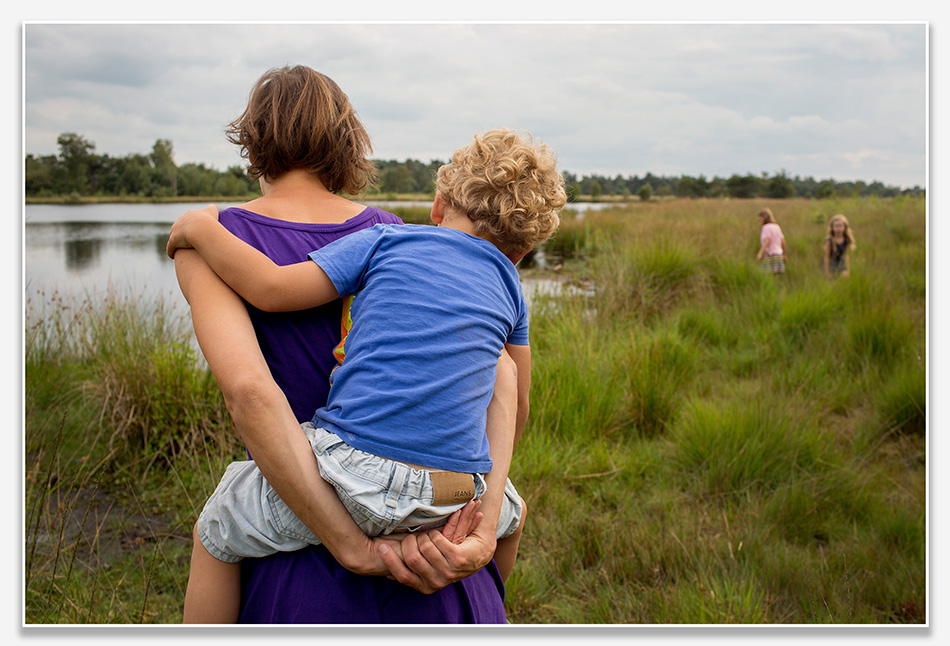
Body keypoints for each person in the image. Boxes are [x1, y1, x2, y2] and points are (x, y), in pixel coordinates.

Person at [171, 65, 523, 623]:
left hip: (305, 512)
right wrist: (479, 527)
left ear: (253, 143)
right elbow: (501, 377)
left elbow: (250, 392)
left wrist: (348, 543)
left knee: (212, 531)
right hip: (442, 541)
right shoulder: (390, 229)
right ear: (346, 142)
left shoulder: (213, 239)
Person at [755, 207, 787, 274]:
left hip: (770, 256)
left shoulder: (766, 227)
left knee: (765, 275)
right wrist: (784, 254)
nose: (760, 221)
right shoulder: (777, 227)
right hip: (779, 256)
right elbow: (783, 241)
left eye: (760, 219)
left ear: (764, 218)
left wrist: (760, 253)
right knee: (777, 276)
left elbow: (767, 240)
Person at [823, 213, 855, 278]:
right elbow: (826, 257)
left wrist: (848, 269)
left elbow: (846, 255)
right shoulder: (829, 241)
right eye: (836, 226)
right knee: (832, 279)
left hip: (840, 261)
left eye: (840, 226)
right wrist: (827, 272)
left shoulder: (846, 240)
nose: (838, 228)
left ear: (844, 227)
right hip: (831, 261)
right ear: (832, 228)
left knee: (844, 277)